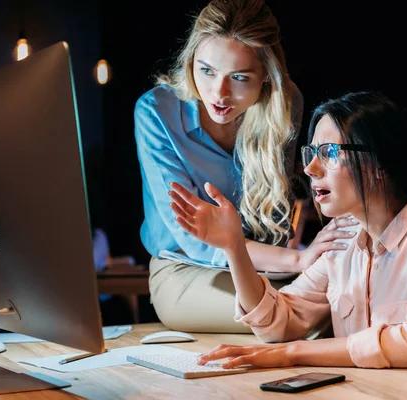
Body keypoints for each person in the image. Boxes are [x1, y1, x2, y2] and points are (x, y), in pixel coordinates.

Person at [168, 91, 407, 378]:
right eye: (311, 154)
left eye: (328, 153)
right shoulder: (344, 240)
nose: (311, 169)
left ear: (379, 161)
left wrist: (293, 354)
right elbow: (278, 322)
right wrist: (234, 247)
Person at [134, 0, 357, 333]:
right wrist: (298, 260)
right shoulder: (156, 112)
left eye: (239, 77)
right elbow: (194, 239)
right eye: (206, 70)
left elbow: (275, 211)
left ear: (267, 75)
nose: (218, 93)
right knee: (293, 318)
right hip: (185, 270)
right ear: (191, 60)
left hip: (268, 266)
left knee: (348, 300)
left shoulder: (284, 102)